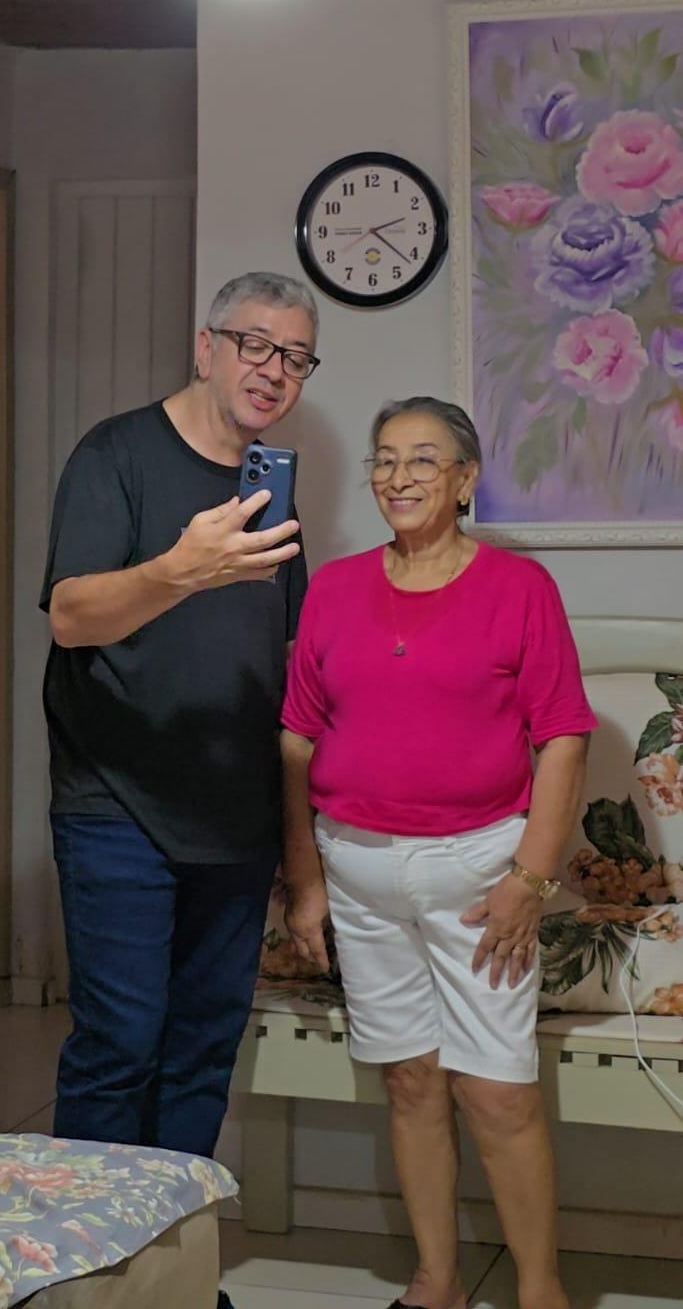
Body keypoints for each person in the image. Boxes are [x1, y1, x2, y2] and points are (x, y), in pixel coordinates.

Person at [281, 396, 596, 1309]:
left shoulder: (518, 587)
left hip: (479, 879)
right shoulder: (334, 587)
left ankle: (539, 1291)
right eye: (384, 459)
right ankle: (436, 1281)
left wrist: (530, 879)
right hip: (357, 872)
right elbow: (296, 737)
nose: (398, 476)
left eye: (423, 459)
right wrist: (305, 882)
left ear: (464, 479)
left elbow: (563, 737)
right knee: (411, 1082)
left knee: (496, 1093)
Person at [40, 272, 319, 1187]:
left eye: (296, 357)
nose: (273, 370)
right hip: (117, 802)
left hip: (236, 816)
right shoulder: (114, 453)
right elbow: (71, 616)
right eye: (255, 345)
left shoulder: (271, 493)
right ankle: (91, 1252)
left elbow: (288, 657)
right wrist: (181, 569)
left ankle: (172, 1251)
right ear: (206, 348)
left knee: (203, 1049)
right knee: (119, 1042)